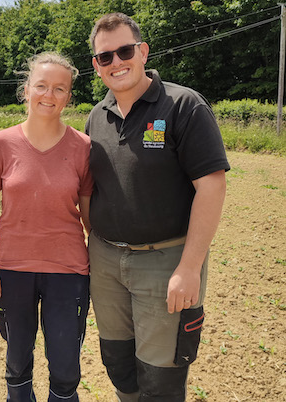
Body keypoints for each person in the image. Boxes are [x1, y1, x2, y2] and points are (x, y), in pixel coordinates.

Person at [85, 13, 230, 402]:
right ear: (96, 66)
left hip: (166, 261)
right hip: (106, 261)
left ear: (143, 51)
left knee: (161, 377)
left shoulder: (184, 106)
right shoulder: (96, 118)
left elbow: (212, 187)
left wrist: (189, 267)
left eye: (125, 51)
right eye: (105, 57)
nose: (116, 62)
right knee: (118, 363)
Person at [0, 52, 93, 402]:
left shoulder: (83, 147)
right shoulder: (1, 143)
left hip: (68, 271)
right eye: (41, 86)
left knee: (65, 366)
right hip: (13, 270)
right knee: (17, 360)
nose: (49, 95)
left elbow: (89, 217)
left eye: (59, 88)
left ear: (68, 96)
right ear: (26, 90)